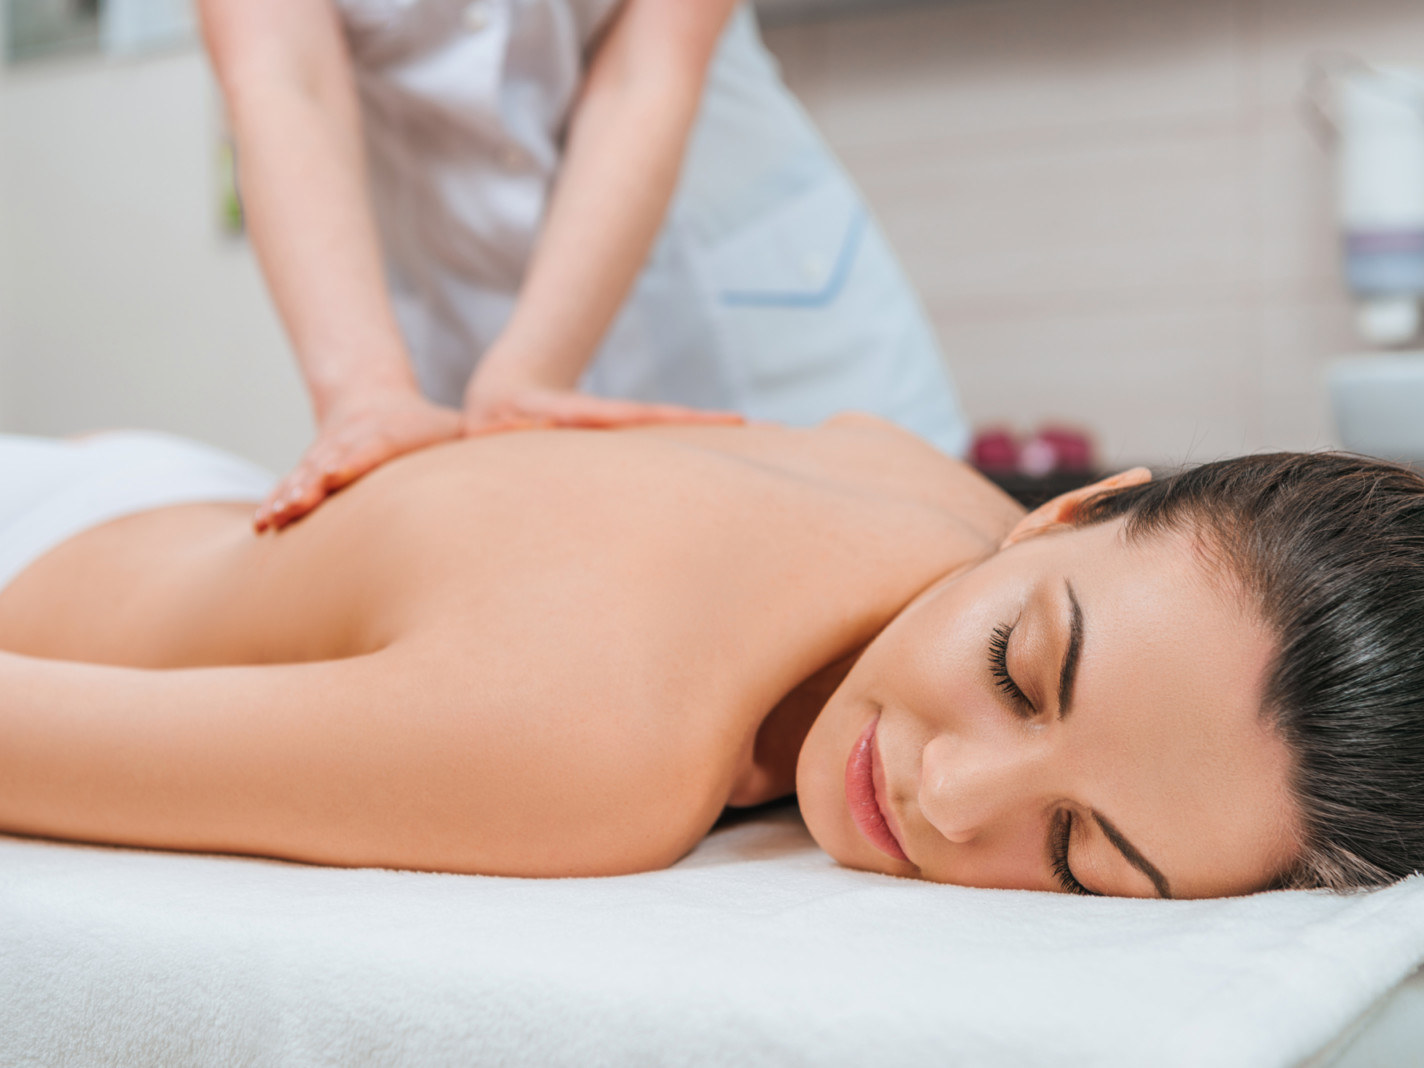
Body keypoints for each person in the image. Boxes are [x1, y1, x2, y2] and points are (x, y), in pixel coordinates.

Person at [1, 416, 1421, 899]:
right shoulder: (591, 749)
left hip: (165, 502)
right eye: (1017, 671)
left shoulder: (930, 489)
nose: (952, 792)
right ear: (1080, 504)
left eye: (1077, 854)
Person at [197, 0, 969, 533]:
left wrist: (529, 369)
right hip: (452, 336)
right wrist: (365, 397)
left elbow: (648, 70)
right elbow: (280, 81)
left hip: (751, 331)